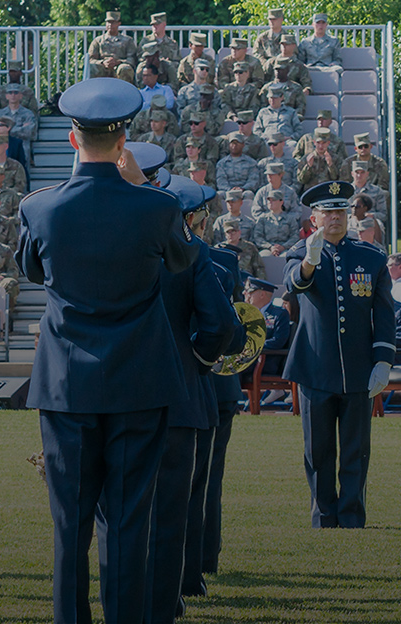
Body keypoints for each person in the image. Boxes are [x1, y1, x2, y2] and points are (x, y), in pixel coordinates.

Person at [18, 78, 201, 624]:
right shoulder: (157, 206)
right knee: (126, 519)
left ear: (72, 139)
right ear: (124, 142)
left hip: (67, 383)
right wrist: (140, 186)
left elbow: (30, 270)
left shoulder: (40, 207)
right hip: (137, 382)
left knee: (69, 522)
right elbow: (184, 260)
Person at [145, 178, 240, 624]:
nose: (203, 222)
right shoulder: (204, 258)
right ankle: (182, 579)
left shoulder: (219, 259)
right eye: (199, 215)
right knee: (187, 491)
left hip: (189, 385)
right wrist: (201, 355)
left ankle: (189, 573)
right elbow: (225, 327)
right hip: (193, 382)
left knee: (189, 489)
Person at [282, 180, 396, 528]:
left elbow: (384, 312)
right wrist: (308, 263)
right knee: (318, 451)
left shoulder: (370, 257)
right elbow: (293, 285)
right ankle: (323, 515)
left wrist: (383, 360)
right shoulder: (301, 253)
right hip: (315, 367)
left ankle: (351, 515)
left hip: (358, 369)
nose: (336, 217)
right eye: (328, 212)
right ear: (314, 217)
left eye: (341, 211)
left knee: (356, 450)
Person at [89, 12, 139, 81]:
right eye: (108, 22)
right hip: (103, 67)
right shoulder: (98, 41)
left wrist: (118, 62)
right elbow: (91, 60)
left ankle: (124, 91)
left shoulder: (128, 40)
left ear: (119, 23)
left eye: (113, 22)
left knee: (125, 69)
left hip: (119, 67)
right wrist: (103, 63)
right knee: (92, 67)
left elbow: (132, 59)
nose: (110, 25)